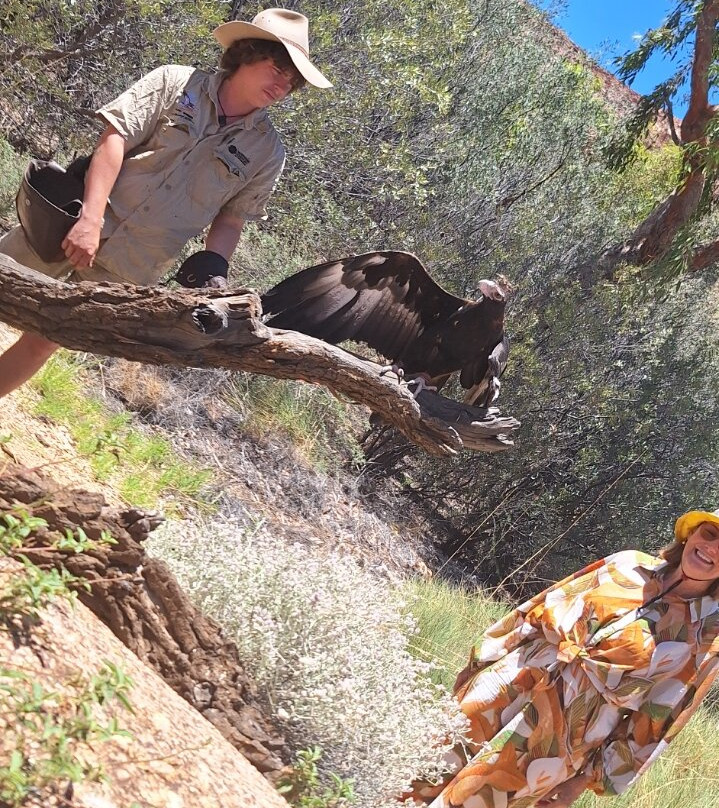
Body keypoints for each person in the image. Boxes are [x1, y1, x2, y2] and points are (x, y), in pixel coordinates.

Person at [0, 8, 332, 398]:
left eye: (292, 82)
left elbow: (232, 218)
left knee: (45, 339)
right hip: (71, 221)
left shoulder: (267, 152)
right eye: (278, 69)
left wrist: (216, 274)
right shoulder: (175, 82)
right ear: (248, 52)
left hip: (134, 264)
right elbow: (114, 139)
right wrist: (89, 219)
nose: (282, 85)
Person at [404, 507, 719, 807]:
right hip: (511, 679)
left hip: (563, 738)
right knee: (418, 767)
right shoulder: (626, 564)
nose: (712, 549)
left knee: (481, 801)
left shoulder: (707, 638)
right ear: (690, 534)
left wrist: (584, 780)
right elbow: (540, 607)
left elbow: (655, 722)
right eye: (710, 533)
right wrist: (485, 661)